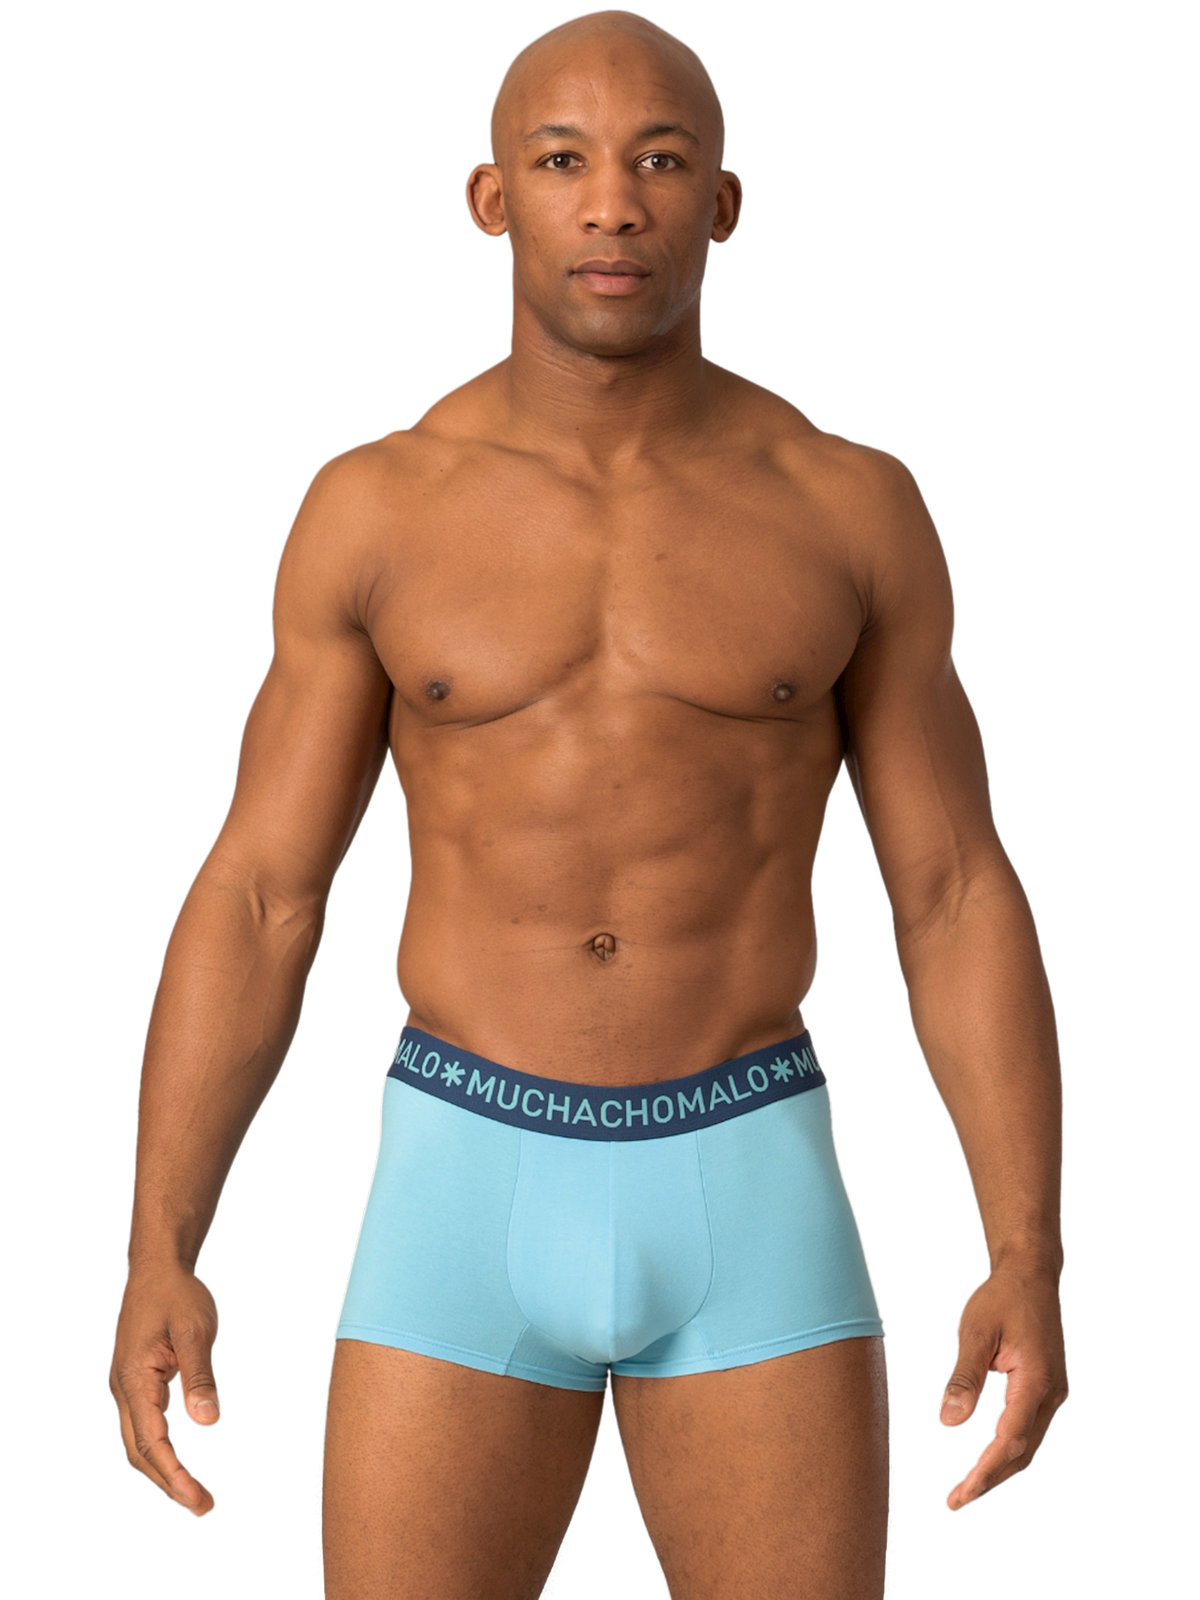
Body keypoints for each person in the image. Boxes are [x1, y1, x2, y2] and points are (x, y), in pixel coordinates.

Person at [107, 8, 1070, 1596]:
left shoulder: (848, 505)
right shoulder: (376, 506)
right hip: (463, 1160)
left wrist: (1027, 1247)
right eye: (563, 162)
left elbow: (955, 889)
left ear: (724, 203)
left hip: (747, 1162)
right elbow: (265, 892)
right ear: (492, 198)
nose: (613, 204)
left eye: (660, 162)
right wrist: (161, 1243)